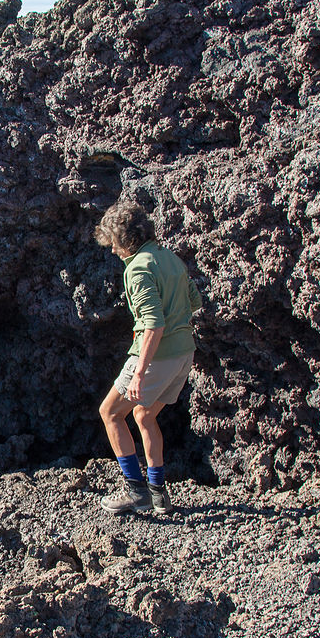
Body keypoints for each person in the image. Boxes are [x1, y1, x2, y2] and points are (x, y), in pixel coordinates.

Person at [94, 200, 202, 515]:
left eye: (113, 242)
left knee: (110, 413)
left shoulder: (138, 267)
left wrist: (140, 373)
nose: (113, 250)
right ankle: (158, 494)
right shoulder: (170, 258)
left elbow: (154, 323)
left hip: (157, 356)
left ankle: (135, 491)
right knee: (143, 415)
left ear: (125, 238)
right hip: (184, 353)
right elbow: (193, 301)